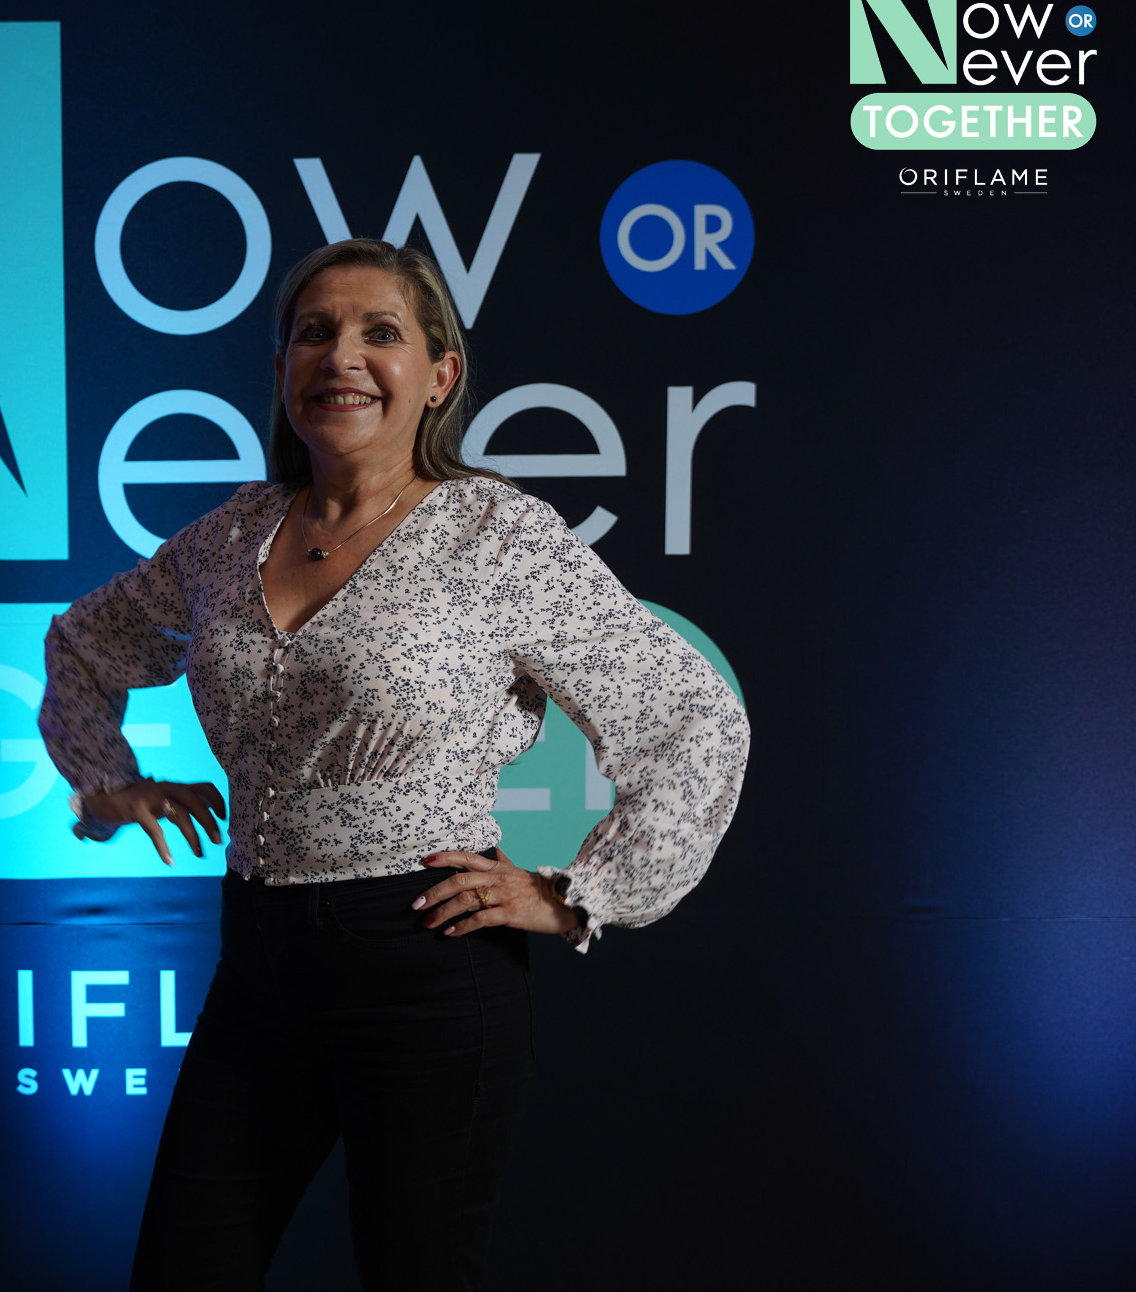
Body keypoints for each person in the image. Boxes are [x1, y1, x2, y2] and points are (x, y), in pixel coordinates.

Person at [39, 239, 749, 1290]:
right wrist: (106, 778)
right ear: (282, 367)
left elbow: (691, 714)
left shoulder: (497, 537)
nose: (342, 357)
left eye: (380, 333)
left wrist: (577, 894)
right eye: (313, 333)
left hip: (425, 967)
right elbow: (85, 644)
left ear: (439, 374)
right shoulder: (229, 537)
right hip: (259, 965)